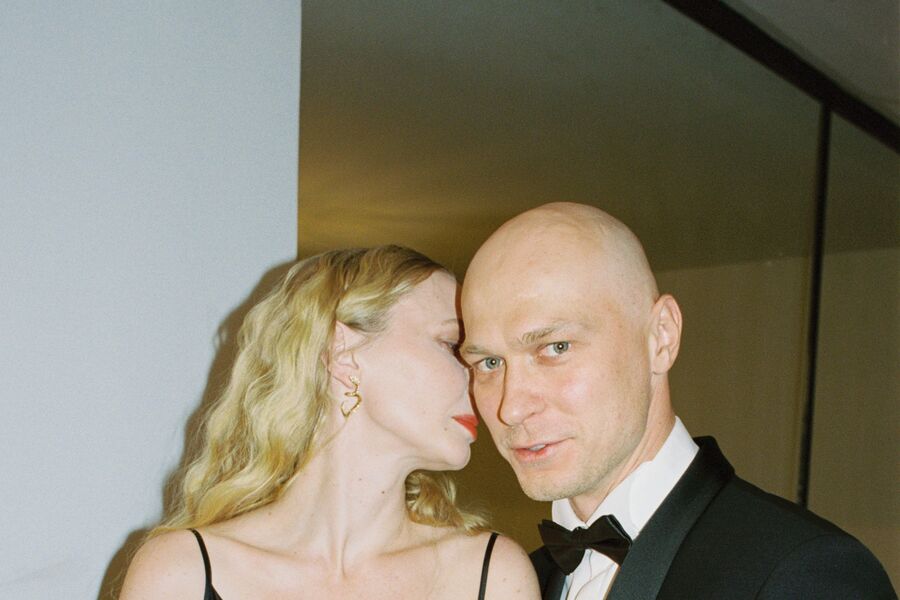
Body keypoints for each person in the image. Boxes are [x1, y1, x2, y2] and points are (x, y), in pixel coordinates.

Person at [460, 202, 895, 599]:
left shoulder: (804, 572)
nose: (510, 408)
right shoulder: (514, 583)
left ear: (661, 337)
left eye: (555, 348)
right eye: (489, 363)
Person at [121, 246, 540, 599]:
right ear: (344, 353)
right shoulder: (182, 573)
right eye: (451, 344)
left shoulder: (492, 575)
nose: (480, 380)